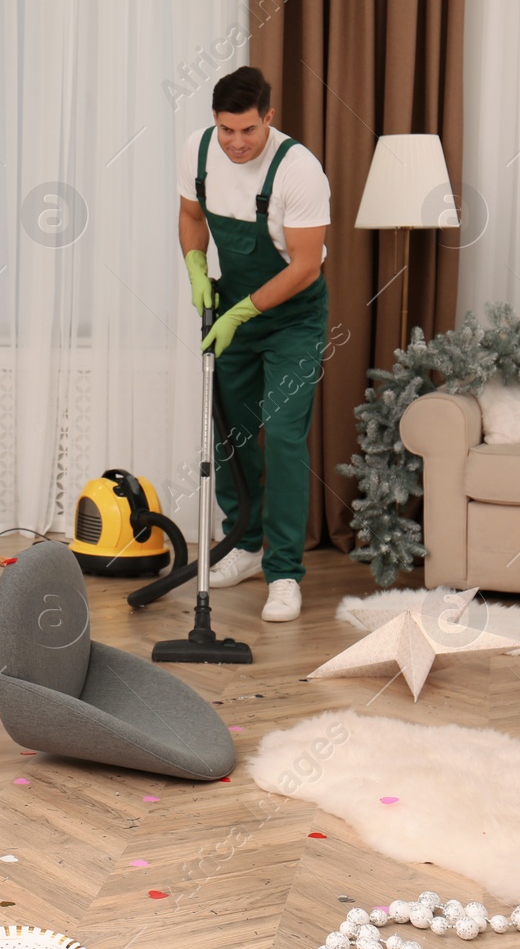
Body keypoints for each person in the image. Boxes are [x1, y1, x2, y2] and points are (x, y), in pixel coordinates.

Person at [176, 66, 330, 623]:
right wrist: (197, 269)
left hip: (291, 317)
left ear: (269, 118)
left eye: (248, 131)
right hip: (231, 307)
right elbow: (192, 216)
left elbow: (307, 266)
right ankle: (244, 543)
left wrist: (244, 311)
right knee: (230, 431)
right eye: (226, 131)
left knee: (284, 436)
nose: (237, 144)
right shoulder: (198, 151)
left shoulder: (300, 171)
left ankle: (285, 572)